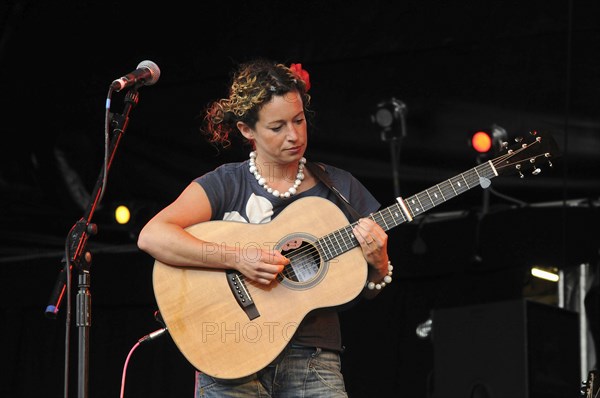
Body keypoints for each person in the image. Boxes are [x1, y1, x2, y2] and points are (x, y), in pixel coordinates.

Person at [137, 58, 393, 397]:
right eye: (277, 127)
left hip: (313, 361)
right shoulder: (227, 183)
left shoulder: (341, 188)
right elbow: (152, 235)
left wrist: (380, 265)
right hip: (229, 353)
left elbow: (367, 288)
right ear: (247, 130)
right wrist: (237, 257)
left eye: (299, 120)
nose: (294, 135)